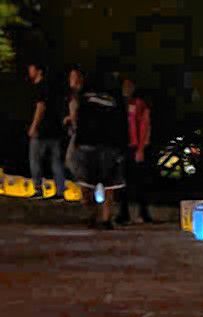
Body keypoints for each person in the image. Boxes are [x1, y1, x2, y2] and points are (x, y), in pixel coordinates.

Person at [72, 71, 128, 229]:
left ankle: (104, 218)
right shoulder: (86, 96)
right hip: (91, 143)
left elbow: (122, 121)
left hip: (107, 144)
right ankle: (95, 216)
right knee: (88, 184)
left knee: (107, 184)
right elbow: (79, 117)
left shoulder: (114, 97)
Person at [27, 62, 66, 201]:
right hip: (55, 130)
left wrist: (34, 126)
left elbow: (40, 107)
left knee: (35, 159)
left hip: (42, 130)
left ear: (39, 71)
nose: (29, 71)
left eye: (32, 68)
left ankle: (38, 189)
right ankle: (60, 191)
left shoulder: (40, 87)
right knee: (56, 161)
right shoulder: (52, 88)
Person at [117, 77, 152, 225]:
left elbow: (145, 126)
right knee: (121, 182)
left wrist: (141, 148)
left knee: (139, 182)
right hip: (122, 147)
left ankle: (143, 212)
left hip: (135, 146)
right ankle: (123, 213)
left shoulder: (139, 104)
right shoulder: (120, 104)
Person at [63, 66, 85, 178]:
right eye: (71, 76)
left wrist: (72, 118)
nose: (71, 79)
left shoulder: (81, 94)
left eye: (74, 76)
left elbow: (79, 111)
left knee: (71, 160)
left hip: (80, 132)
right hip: (74, 131)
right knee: (70, 159)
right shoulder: (72, 94)